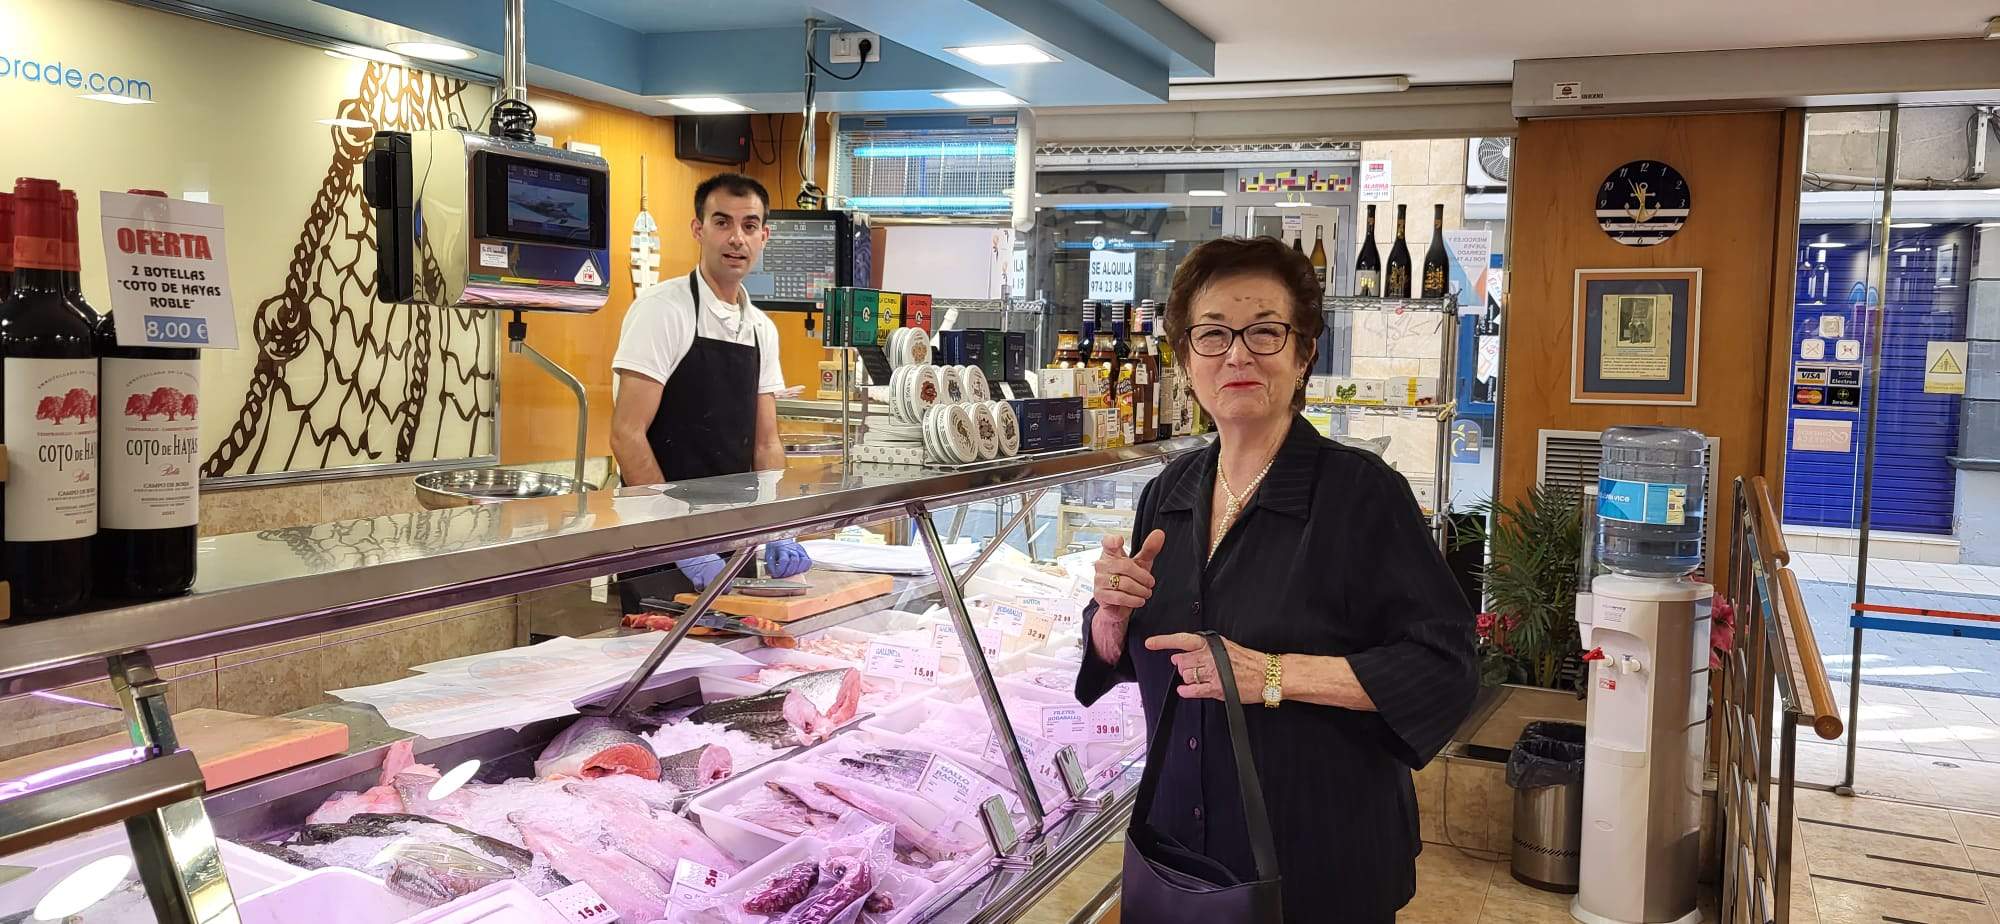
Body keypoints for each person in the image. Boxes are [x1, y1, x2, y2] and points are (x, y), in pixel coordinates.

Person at [1078, 236, 1477, 923]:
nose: (1237, 354)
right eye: (1212, 334)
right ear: (1187, 359)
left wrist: (1272, 674)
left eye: (1264, 331)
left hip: (1318, 857)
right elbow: (1131, 659)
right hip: (1179, 849)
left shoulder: (1361, 495)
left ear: (1304, 353)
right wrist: (1108, 620)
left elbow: (1444, 667)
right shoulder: (1168, 493)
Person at [610, 173, 809, 608]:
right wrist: (681, 541)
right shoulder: (662, 311)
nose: (736, 238)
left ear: (764, 236)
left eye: (749, 226)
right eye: (722, 222)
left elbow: (766, 441)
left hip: (734, 541)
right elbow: (627, 434)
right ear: (698, 230)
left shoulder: (761, 328)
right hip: (659, 546)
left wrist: (777, 527)